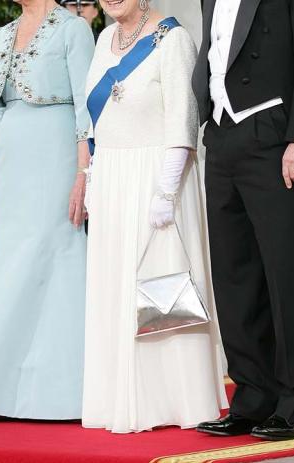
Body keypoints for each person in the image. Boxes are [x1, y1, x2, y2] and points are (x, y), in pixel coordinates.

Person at [193, 0, 294, 441]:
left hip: (276, 139)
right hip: (220, 136)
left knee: (285, 277)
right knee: (234, 277)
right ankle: (253, 398)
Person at [81, 0, 227, 434]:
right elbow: (95, 122)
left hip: (155, 179)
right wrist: (91, 178)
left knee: (164, 287)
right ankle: (118, 401)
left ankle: (178, 400)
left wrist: (165, 191)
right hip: (112, 179)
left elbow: (183, 121)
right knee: (117, 289)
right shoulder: (104, 39)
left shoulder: (173, 39)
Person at [0, 0, 94, 420]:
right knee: (10, 262)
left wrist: (85, 173)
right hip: (13, 158)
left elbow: (86, 110)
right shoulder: (1, 35)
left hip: (57, 153)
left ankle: (66, 393)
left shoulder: (73, 30)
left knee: (58, 256)